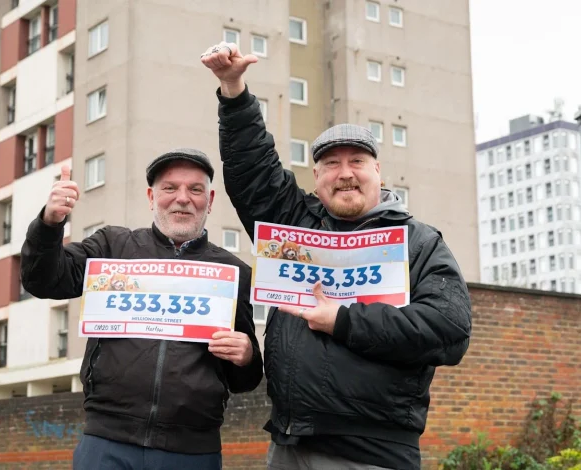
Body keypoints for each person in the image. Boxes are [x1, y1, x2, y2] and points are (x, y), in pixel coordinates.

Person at [201, 43, 472, 470]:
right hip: (289, 445)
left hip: (374, 453)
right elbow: (254, 173)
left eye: (357, 161)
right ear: (317, 178)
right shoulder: (295, 226)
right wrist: (234, 89)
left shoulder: (416, 241)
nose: (344, 172)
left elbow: (448, 330)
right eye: (330, 163)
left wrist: (343, 321)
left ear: (378, 173)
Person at [20, 149, 263, 470]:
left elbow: (244, 379)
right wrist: (49, 224)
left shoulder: (234, 272)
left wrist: (246, 355)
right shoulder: (112, 247)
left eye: (195, 189)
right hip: (107, 442)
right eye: (169, 188)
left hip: (193, 451)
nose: (182, 198)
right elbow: (44, 281)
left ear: (210, 199)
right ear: (151, 196)